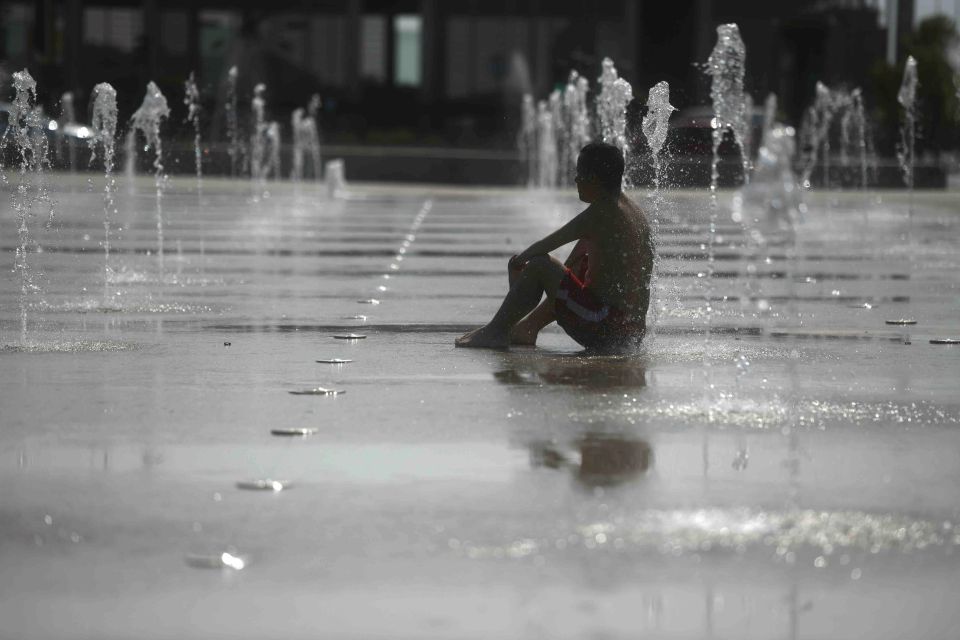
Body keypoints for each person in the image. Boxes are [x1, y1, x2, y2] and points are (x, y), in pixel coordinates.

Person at [456, 142, 654, 351]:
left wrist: (518, 264)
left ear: (593, 179)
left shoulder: (601, 211)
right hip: (629, 333)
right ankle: (528, 328)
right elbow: (565, 277)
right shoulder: (634, 212)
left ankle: (496, 331)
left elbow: (546, 245)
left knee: (540, 265)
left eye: (579, 174)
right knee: (579, 259)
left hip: (605, 330)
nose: (576, 179)